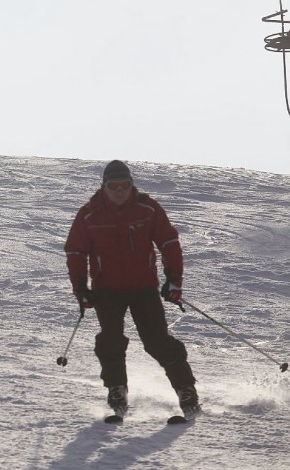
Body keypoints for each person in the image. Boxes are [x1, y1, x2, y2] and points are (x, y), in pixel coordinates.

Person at [64, 160, 201, 418]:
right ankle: (117, 389)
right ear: (103, 186)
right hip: (106, 289)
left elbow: (169, 241)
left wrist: (174, 280)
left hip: (143, 287)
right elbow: (75, 251)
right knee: (111, 339)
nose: (119, 191)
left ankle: (186, 389)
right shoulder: (89, 214)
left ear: (131, 185)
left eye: (124, 185)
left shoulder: (147, 209)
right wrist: (80, 288)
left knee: (157, 341)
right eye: (113, 186)